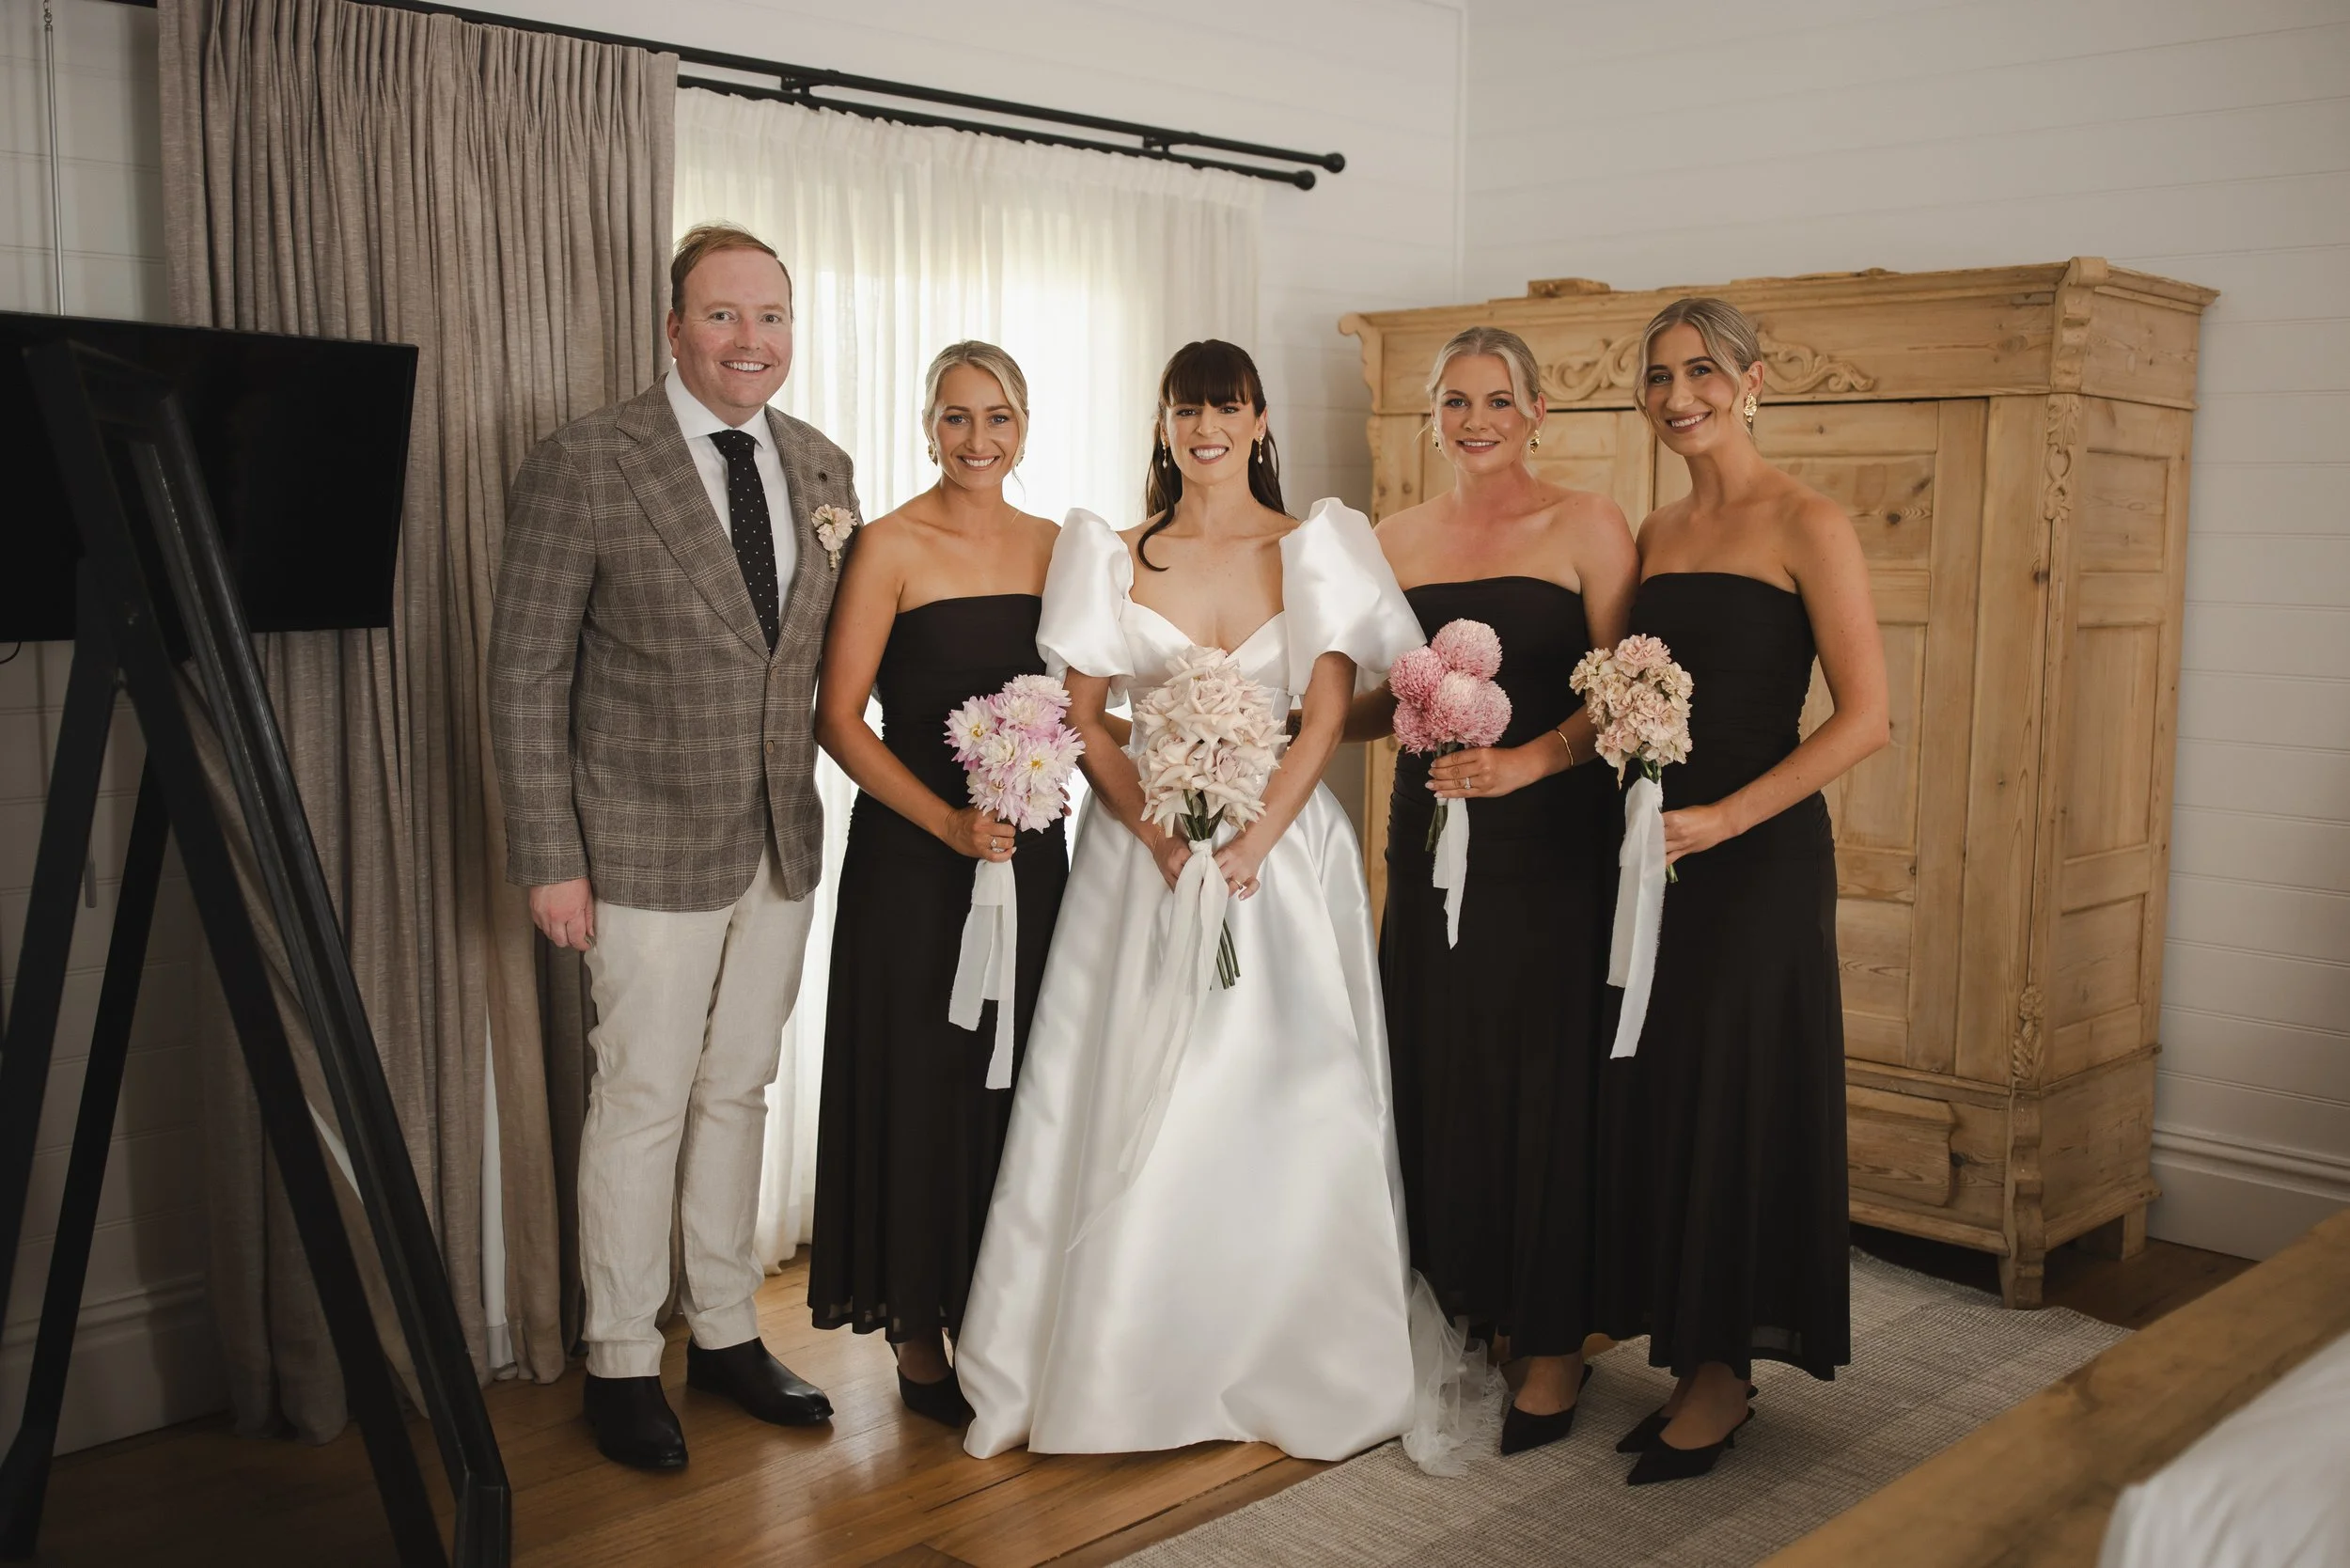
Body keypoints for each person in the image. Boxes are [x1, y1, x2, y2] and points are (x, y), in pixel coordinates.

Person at [955, 339, 1449, 1464]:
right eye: (1186, 410)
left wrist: (1250, 844)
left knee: (1284, 1092)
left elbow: (1323, 720)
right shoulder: (1113, 554)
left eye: (1226, 408)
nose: (1205, 429)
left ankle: (1293, 1349)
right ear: (1163, 424)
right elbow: (1086, 720)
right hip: (1144, 861)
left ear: (1260, 420)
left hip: (1278, 861)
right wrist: (1159, 836)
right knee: (1133, 1085)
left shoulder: (1315, 545)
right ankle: (1119, 1363)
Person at [489, 222, 855, 1471]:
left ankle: (728, 1332)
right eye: (723, 315)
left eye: (771, 316)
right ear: (674, 327)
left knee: (738, 1087)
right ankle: (620, 1359)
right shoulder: (587, 462)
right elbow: (525, 674)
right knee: (641, 1095)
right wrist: (550, 855)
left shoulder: (822, 465)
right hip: (635, 843)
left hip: (780, 838)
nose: (751, 340)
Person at [1596, 297, 1889, 1484]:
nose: (1680, 397)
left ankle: (1723, 1377)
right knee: (1671, 1092)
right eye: (1659, 377)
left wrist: (1724, 818)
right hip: (1653, 855)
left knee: (1739, 1096)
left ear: (1753, 382)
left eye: (1703, 372)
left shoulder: (1808, 521)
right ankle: (1690, 1356)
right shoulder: (1656, 530)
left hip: (1757, 858)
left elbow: (1866, 720)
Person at [1352, 325, 1636, 1456]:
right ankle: (1460, 1303)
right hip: (1427, 833)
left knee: (1542, 1071)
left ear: (1536, 411)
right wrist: (1271, 718)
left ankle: (1553, 1338)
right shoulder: (1393, 538)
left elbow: (1624, 693)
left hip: (1550, 841)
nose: (1476, 421)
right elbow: (1374, 700)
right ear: (1433, 415)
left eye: (1498, 399)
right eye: (1456, 401)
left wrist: (1533, 761)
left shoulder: (1587, 524)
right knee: (1439, 1058)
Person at [807, 342, 1068, 1425]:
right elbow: (837, 719)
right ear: (927, 429)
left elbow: (1082, 707)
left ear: (1024, 428)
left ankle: (1005, 1317)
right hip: (914, 859)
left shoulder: (1058, 547)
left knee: (1020, 1082)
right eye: (955, 418)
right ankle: (919, 1340)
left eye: (996, 417)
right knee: (922, 1078)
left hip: (1032, 854)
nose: (977, 439)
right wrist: (949, 825)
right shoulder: (889, 545)